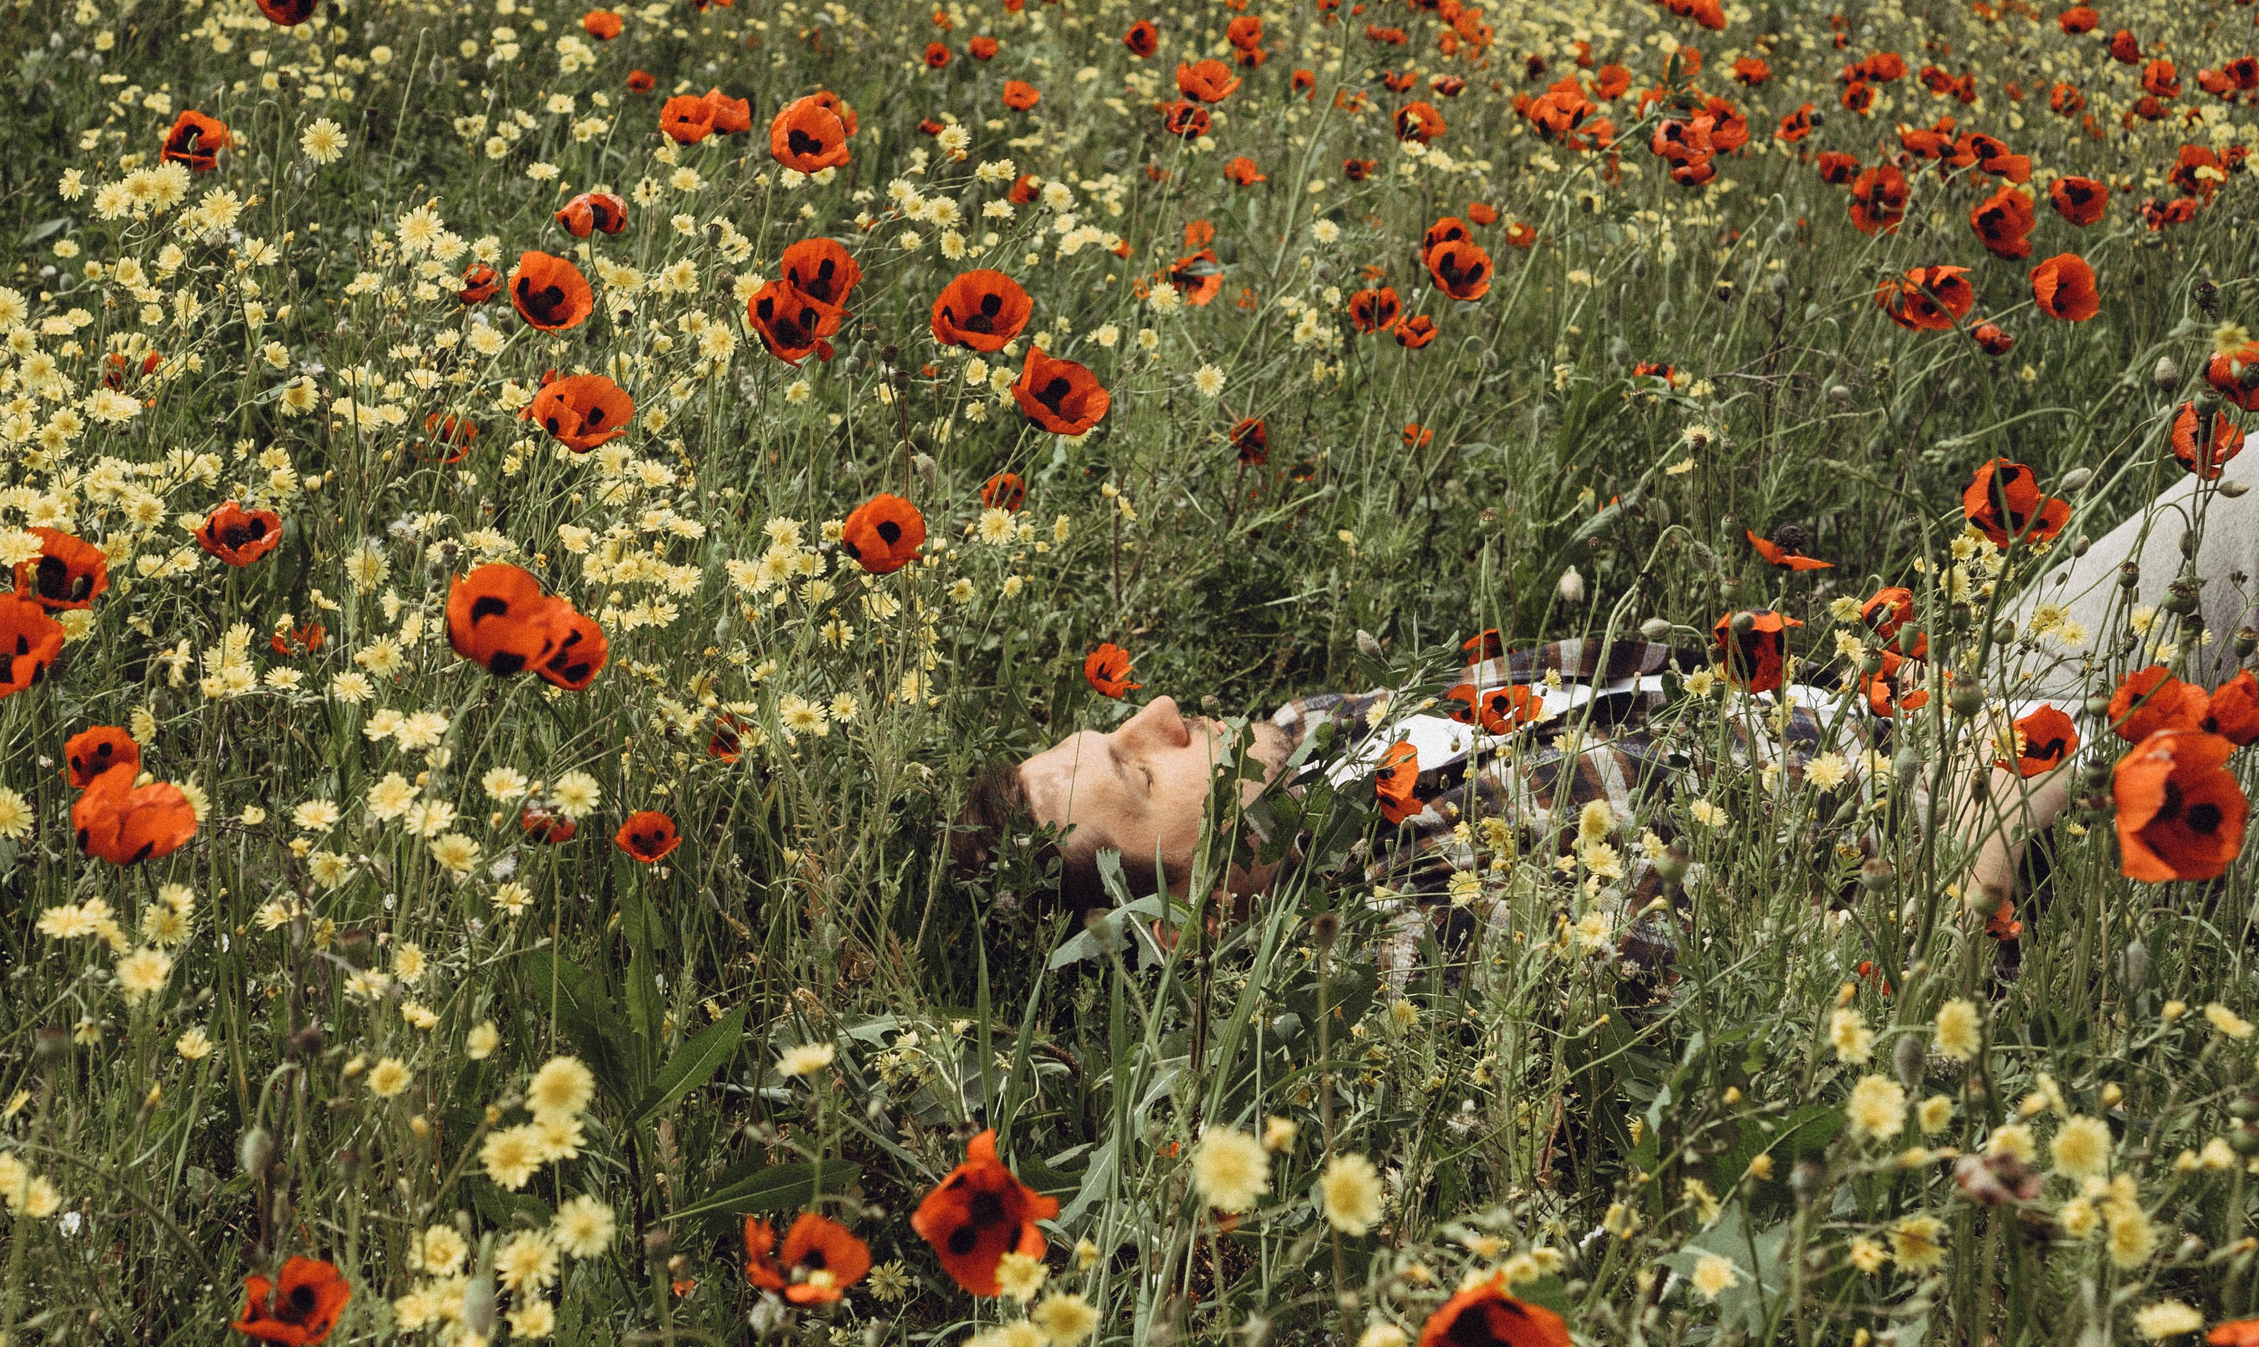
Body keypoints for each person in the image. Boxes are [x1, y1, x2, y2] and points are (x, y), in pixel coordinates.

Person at [949, 438, 2259, 983]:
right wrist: (2011, 781)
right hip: (2071, 826)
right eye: (1131, 772)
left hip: (1968, 705)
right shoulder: (1425, 942)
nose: (1163, 710)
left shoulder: (1325, 737)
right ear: (1186, 926)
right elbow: (1851, 976)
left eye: (1114, 723)